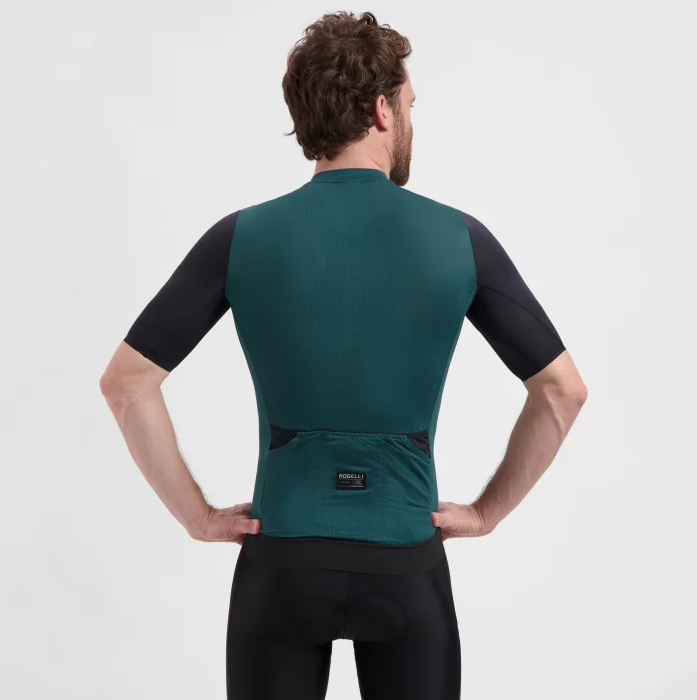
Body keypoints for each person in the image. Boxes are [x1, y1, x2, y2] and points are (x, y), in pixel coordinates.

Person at [100, 10, 587, 700]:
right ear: (383, 109)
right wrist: (487, 512)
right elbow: (563, 390)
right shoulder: (459, 240)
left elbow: (126, 382)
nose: (412, 118)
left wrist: (197, 517)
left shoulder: (241, 238)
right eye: (411, 103)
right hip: (407, 565)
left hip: (281, 566)